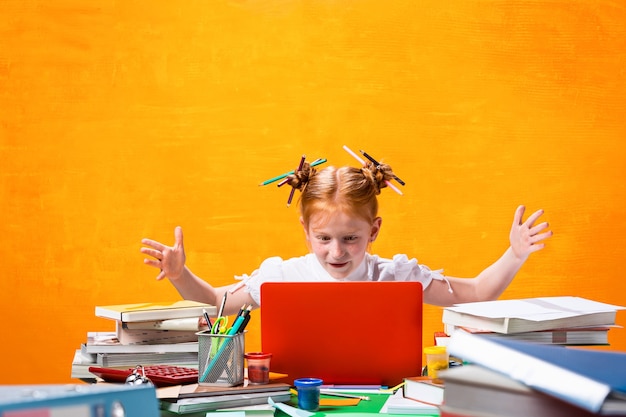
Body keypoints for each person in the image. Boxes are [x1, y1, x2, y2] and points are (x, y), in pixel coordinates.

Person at [140, 159, 552, 317]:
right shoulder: (282, 277)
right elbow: (216, 301)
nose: (336, 252)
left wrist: (515, 255)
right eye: (323, 238)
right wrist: (180, 274)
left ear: (374, 231)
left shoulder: (395, 275)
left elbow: (476, 292)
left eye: (351, 238)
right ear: (306, 234)